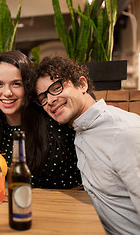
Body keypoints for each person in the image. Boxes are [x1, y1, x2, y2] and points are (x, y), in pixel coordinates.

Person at [31, 56, 140, 234]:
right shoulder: (78, 129)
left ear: (82, 85)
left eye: (56, 88)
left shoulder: (124, 132)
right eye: (43, 97)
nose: (50, 100)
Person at [0, 51, 81, 189]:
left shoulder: (55, 121)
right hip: (19, 204)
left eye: (16, 84)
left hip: (67, 205)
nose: (7, 93)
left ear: (29, 87)